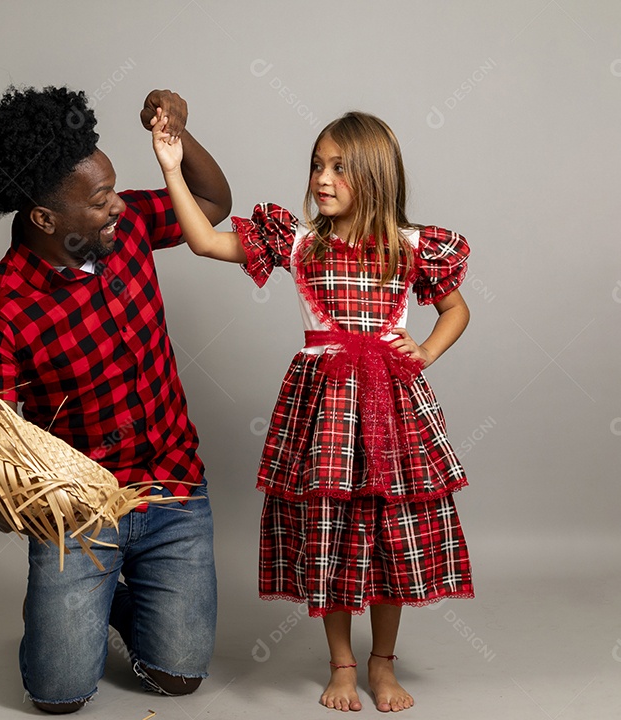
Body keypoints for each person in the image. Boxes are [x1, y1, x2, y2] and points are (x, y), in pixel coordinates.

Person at [151, 109, 474, 713]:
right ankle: (342, 664)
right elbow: (203, 241)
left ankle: (383, 662)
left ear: (376, 179)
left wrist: (425, 349)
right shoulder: (298, 242)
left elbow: (455, 310)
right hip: (322, 406)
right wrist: (172, 168)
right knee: (329, 525)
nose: (322, 178)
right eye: (317, 165)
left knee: (384, 530)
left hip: (391, 405)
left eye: (340, 169)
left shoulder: (413, 247)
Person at [0, 86, 231, 713]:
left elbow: (213, 203)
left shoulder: (126, 225)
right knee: (57, 696)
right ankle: (67, 596)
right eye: (100, 198)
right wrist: (31, 510)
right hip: (80, 521)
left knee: (177, 679)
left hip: (173, 488)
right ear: (45, 219)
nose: (118, 205)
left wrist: (180, 136)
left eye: (114, 188)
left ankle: (110, 598)